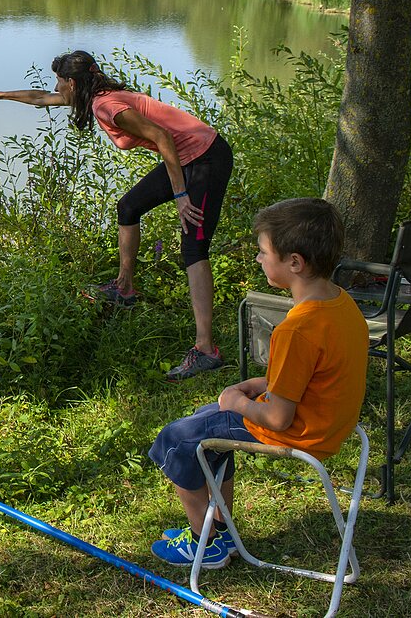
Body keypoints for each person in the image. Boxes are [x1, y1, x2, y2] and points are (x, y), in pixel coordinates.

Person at [0, 50, 234, 381]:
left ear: (73, 82)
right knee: (128, 207)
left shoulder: (107, 106)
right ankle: (124, 287)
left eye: (59, 81)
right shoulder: (95, 95)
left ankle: (206, 349)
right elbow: (41, 99)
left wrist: (181, 195)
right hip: (185, 158)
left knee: (193, 246)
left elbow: (162, 136)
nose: (56, 86)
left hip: (206, 158)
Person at [146, 198, 367, 568]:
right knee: (206, 419)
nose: (259, 259)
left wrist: (239, 403)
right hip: (330, 424)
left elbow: (278, 417)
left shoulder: (296, 328)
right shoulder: (341, 306)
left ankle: (206, 541)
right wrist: (259, 383)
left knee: (176, 439)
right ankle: (222, 528)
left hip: (299, 432)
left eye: (263, 252)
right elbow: (315, 372)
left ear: (294, 262)